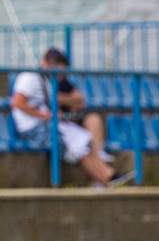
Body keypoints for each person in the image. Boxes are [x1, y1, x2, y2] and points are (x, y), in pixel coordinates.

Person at [11, 49, 132, 187]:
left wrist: (53, 114)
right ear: (47, 64)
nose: (61, 76)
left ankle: (106, 177)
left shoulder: (48, 82)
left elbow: (78, 100)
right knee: (76, 145)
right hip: (33, 128)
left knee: (83, 139)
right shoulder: (29, 78)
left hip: (49, 125)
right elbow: (17, 102)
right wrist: (43, 115)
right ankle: (107, 177)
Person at [47, 48, 113, 162]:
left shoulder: (64, 83)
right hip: (56, 122)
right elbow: (52, 99)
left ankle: (99, 155)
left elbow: (80, 101)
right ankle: (97, 163)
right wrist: (69, 100)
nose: (61, 74)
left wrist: (64, 100)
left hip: (70, 117)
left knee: (94, 119)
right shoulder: (43, 82)